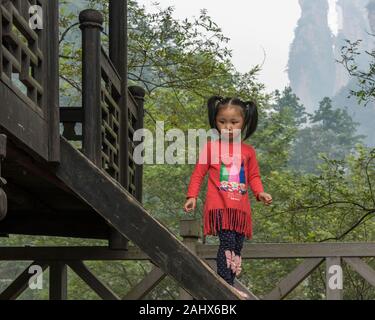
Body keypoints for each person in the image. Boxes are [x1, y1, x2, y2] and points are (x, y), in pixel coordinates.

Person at [183, 96, 272, 299]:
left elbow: (254, 177)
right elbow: (198, 173)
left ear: (245, 122)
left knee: (237, 246)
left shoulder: (248, 151)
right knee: (227, 243)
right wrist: (192, 196)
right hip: (220, 207)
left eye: (234, 122)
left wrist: (260, 192)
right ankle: (224, 284)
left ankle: (229, 283)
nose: (228, 127)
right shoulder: (211, 148)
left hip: (240, 210)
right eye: (222, 122)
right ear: (215, 121)